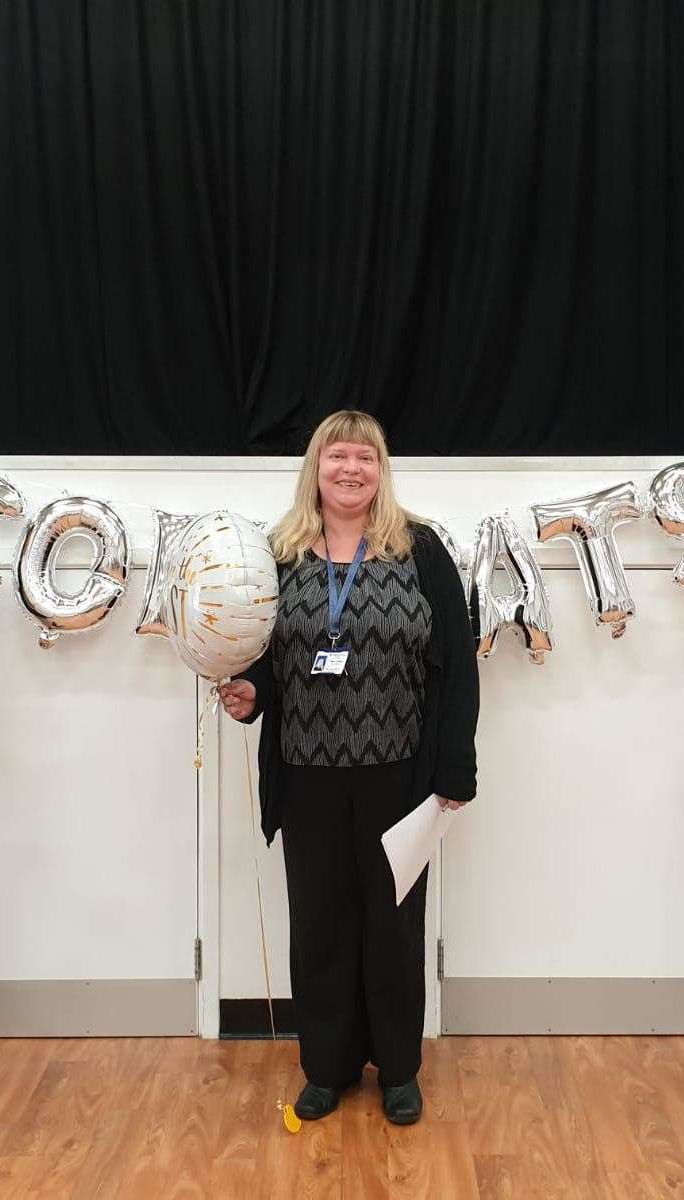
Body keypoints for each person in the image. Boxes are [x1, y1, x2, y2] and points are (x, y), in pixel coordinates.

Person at [219, 410, 478, 1126]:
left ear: (382, 470)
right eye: (338, 456)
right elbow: (268, 660)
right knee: (322, 925)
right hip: (308, 773)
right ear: (316, 467)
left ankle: (398, 1070)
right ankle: (326, 1067)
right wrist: (250, 695)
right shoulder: (282, 552)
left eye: (366, 457)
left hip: (399, 774)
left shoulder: (419, 550)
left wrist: (456, 769)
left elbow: (455, 669)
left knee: (392, 928)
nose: (351, 469)